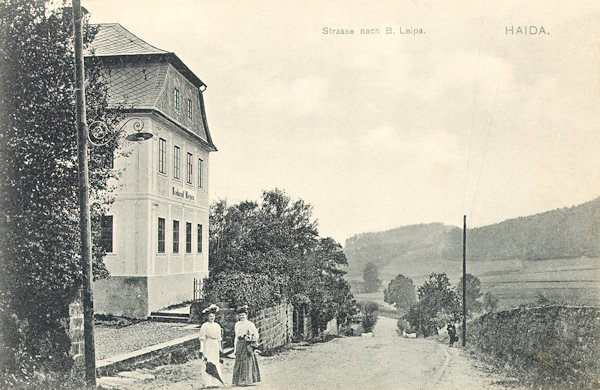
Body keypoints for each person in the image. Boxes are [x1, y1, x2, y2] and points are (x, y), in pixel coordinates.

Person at [232, 305, 261, 386]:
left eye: (243, 315)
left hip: (247, 344)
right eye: (240, 315)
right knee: (239, 361)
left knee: (247, 361)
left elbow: (256, 335)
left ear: (246, 315)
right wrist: (235, 348)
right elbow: (236, 336)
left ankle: (246, 380)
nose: (241, 317)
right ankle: (238, 380)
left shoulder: (250, 324)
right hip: (239, 344)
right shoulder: (237, 324)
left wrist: (250, 337)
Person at [198, 304, 224, 388]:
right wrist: (202, 349)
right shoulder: (204, 326)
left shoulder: (217, 326)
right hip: (208, 345)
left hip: (215, 345)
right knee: (208, 362)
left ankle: (215, 382)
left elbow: (219, 339)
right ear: (207, 317)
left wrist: (220, 348)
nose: (212, 318)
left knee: (215, 362)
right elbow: (202, 338)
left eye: (213, 316)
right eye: (210, 316)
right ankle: (208, 382)